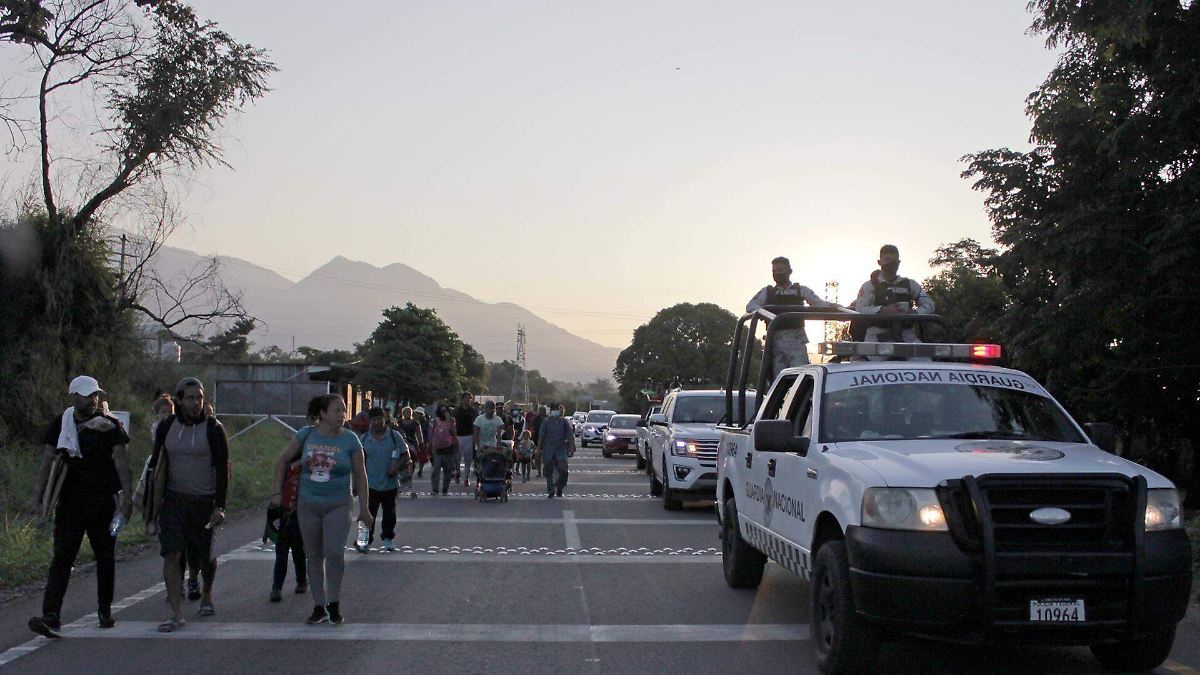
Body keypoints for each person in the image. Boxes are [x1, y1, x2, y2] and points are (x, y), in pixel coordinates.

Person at [28, 376, 133, 638]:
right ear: (75, 397)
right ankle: (51, 615)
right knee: (62, 558)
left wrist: (127, 502)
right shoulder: (61, 425)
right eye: (88, 395)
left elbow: (121, 464)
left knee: (105, 558)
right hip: (70, 504)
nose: (93, 399)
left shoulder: (110, 427)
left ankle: (104, 611)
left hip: (102, 503)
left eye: (95, 395)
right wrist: (39, 497)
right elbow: (48, 462)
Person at [271, 394, 372, 625]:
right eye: (337, 410)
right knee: (314, 555)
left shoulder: (351, 440)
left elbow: (360, 475)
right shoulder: (306, 434)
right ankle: (319, 605)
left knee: (335, 552)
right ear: (323, 414)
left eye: (343, 410)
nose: (342, 415)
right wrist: (276, 494)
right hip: (308, 504)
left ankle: (333, 602)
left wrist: (364, 509)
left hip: (339, 504)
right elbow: (282, 461)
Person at [146, 377, 230, 632]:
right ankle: (176, 613)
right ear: (179, 400)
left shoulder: (214, 429)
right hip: (173, 499)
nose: (196, 403)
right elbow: (155, 465)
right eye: (191, 398)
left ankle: (207, 593)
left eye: (200, 398)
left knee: (204, 555)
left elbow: (223, 470)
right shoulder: (167, 427)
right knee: (172, 553)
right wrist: (150, 507)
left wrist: (220, 506)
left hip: (204, 501)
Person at [746, 256, 839, 376]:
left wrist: (836, 307)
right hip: (775, 344)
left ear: (789, 272)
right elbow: (751, 306)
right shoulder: (767, 292)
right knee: (777, 382)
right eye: (775, 271)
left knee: (800, 378)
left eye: (781, 270)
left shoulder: (801, 290)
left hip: (797, 343)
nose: (777, 274)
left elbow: (819, 304)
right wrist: (767, 314)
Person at [854, 244, 935, 349]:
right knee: (870, 363)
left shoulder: (910, 284)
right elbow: (860, 310)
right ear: (879, 262)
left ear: (899, 262)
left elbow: (929, 305)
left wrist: (914, 313)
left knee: (925, 362)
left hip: (907, 337)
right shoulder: (869, 286)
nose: (891, 263)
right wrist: (882, 310)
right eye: (887, 260)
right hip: (876, 340)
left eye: (894, 260)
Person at [358, 406, 406, 553]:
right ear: (369, 421)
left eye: (379, 418)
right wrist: (356, 482)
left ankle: (388, 539)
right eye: (373, 419)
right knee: (368, 513)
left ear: (384, 418)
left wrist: (395, 468)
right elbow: (358, 462)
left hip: (389, 484)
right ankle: (365, 541)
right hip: (370, 484)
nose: (377, 422)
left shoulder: (394, 436)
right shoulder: (364, 439)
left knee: (389, 514)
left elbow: (405, 455)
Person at [268, 457, 307, 602]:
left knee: (299, 553)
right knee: (281, 555)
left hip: (299, 517)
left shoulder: (306, 468)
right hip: (284, 516)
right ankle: (277, 587)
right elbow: (274, 502)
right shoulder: (283, 469)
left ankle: (301, 580)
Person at [537, 403, 576, 498]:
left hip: (561, 449)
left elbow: (570, 436)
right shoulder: (546, 422)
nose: (556, 412)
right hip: (548, 450)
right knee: (548, 470)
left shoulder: (564, 422)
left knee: (563, 470)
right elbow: (541, 435)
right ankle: (550, 491)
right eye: (554, 410)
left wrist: (571, 447)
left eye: (557, 409)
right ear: (550, 411)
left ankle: (560, 487)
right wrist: (538, 449)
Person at [428, 405, 458, 495]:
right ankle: (435, 489)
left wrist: (448, 420)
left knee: (448, 470)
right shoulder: (436, 421)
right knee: (435, 470)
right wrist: (431, 446)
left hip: (449, 448)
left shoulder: (452, 420)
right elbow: (433, 434)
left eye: (445, 411)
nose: (444, 413)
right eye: (442, 411)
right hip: (437, 448)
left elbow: (453, 432)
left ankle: (445, 489)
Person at [473, 401, 506, 478]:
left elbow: (499, 434)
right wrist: (478, 446)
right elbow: (476, 434)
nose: (490, 410)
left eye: (492, 408)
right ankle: (479, 479)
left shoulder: (498, 419)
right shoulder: (479, 419)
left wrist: (498, 446)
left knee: (491, 461)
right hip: (481, 443)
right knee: (480, 462)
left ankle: (490, 478)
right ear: (485, 409)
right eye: (488, 408)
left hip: (492, 443)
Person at [453, 392, 476, 487]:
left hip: (469, 436)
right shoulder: (456, 410)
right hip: (458, 436)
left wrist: (475, 436)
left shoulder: (473, 411)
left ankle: (467, 477)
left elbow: (475, 424)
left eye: (470, 398)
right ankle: (457, 472)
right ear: (462, 399)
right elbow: (452, 423)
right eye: (466, 398)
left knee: (468, 459)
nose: (468, 400)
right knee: (457, 457)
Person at [396, 407, 426, 479]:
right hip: (402, 442)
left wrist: (421, 443)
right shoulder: (399, 422)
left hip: (413, 443)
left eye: (410, 412)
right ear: (403, 413)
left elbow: (419, 433)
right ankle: (402, 473)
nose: (408, 413)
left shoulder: (415, 423)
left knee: (413, 459)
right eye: (406, 412)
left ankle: (410, 473)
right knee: (401, 458)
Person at [412, 408, 431, 478]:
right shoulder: (413, 420)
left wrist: (426, 442)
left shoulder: (425, 422)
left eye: (418, 413)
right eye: (416, 412)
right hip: (414, 440)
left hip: (422, 441)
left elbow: (427, 432)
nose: (416, 414)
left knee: (422, 457)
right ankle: (413, 469)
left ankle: (420, 470)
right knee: (413, 456)